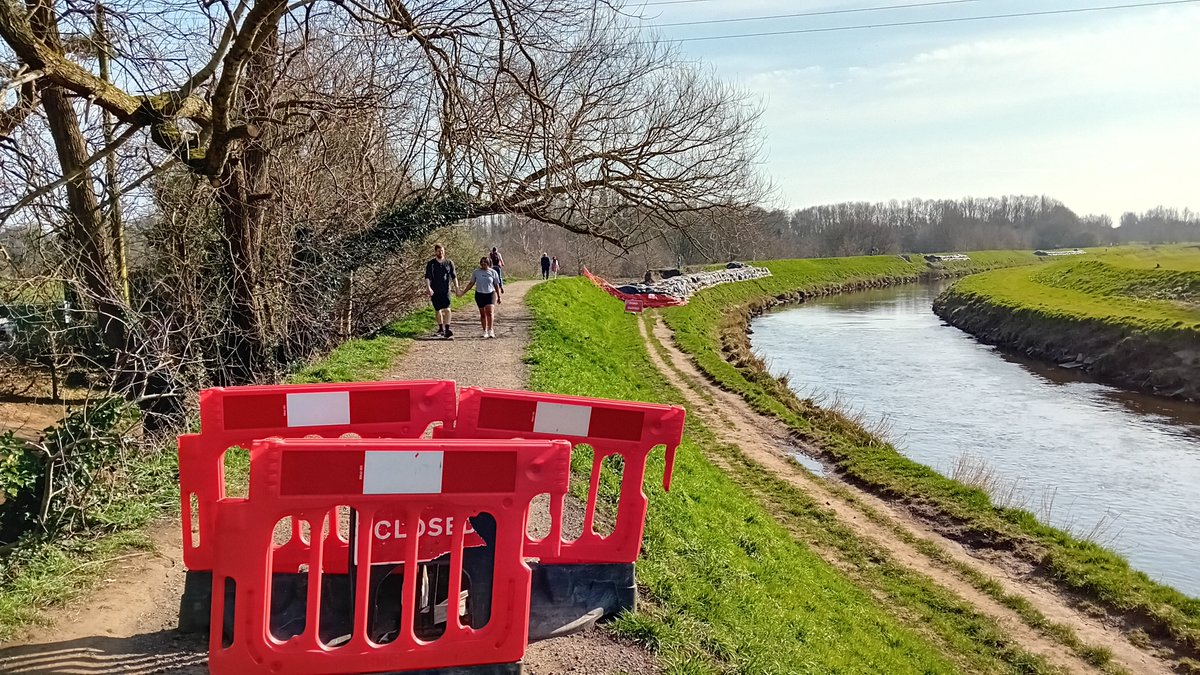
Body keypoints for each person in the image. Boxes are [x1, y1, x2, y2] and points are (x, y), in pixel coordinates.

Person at [459, 256, 503, 338]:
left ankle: (491, 330)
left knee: (489, 312)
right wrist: (463, 292)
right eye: (482, 262)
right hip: (479, 294)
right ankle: (484, 331)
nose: (483, 263)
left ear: (489, 263)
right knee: (483, 314)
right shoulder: (476, 272)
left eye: (485, 262)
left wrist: (499, 296)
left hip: (490, 294)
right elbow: (471, 283)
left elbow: (496, 285)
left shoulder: (493, 272)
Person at [424, 243, 459, 339]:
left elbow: (454, 276)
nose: (441, 252)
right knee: (437, 310)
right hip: (435, 290)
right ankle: (440, 329)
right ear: (435, 252)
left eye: (442, 251)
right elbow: (428, 277)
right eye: (439, 251)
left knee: (447, 309)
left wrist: (457, 288)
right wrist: (428, 287)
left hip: (446, 290)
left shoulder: (449, 263)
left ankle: (447, 329)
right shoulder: (431, 264)